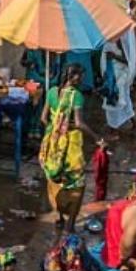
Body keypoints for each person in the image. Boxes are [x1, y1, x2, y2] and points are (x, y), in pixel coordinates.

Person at [39, 67, 102, 231]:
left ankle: (59, 216)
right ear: (73, 77)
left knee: (54, 179)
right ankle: (71, 223)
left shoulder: (52, 91)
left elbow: (43, 118)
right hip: (70, 146)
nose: (81, 79)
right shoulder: (76, 96)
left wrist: (55, 130)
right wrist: (98, 139)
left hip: (52, 144)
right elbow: (79, 123)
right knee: (76, 183)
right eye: (80, 76)